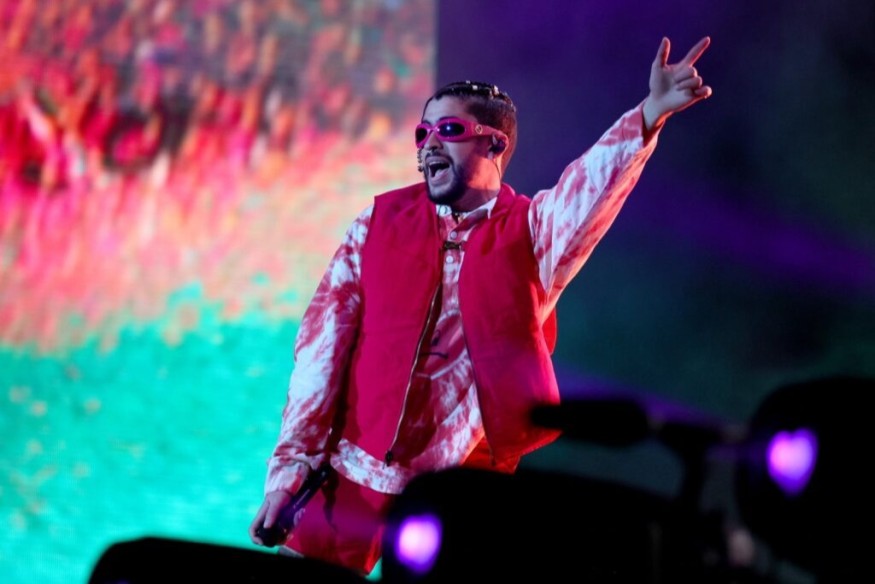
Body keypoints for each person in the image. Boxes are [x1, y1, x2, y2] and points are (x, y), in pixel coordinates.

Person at [249, 35, 713, 576]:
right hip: (350, 478)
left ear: (494, 144)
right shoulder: (377, 223)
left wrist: (649, 114)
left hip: (461, 495)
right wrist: (288, 474)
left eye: (448, 131)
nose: (428, 145)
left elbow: (588, 190)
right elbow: (319, 354)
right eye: (423, 132)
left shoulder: (533, 234)